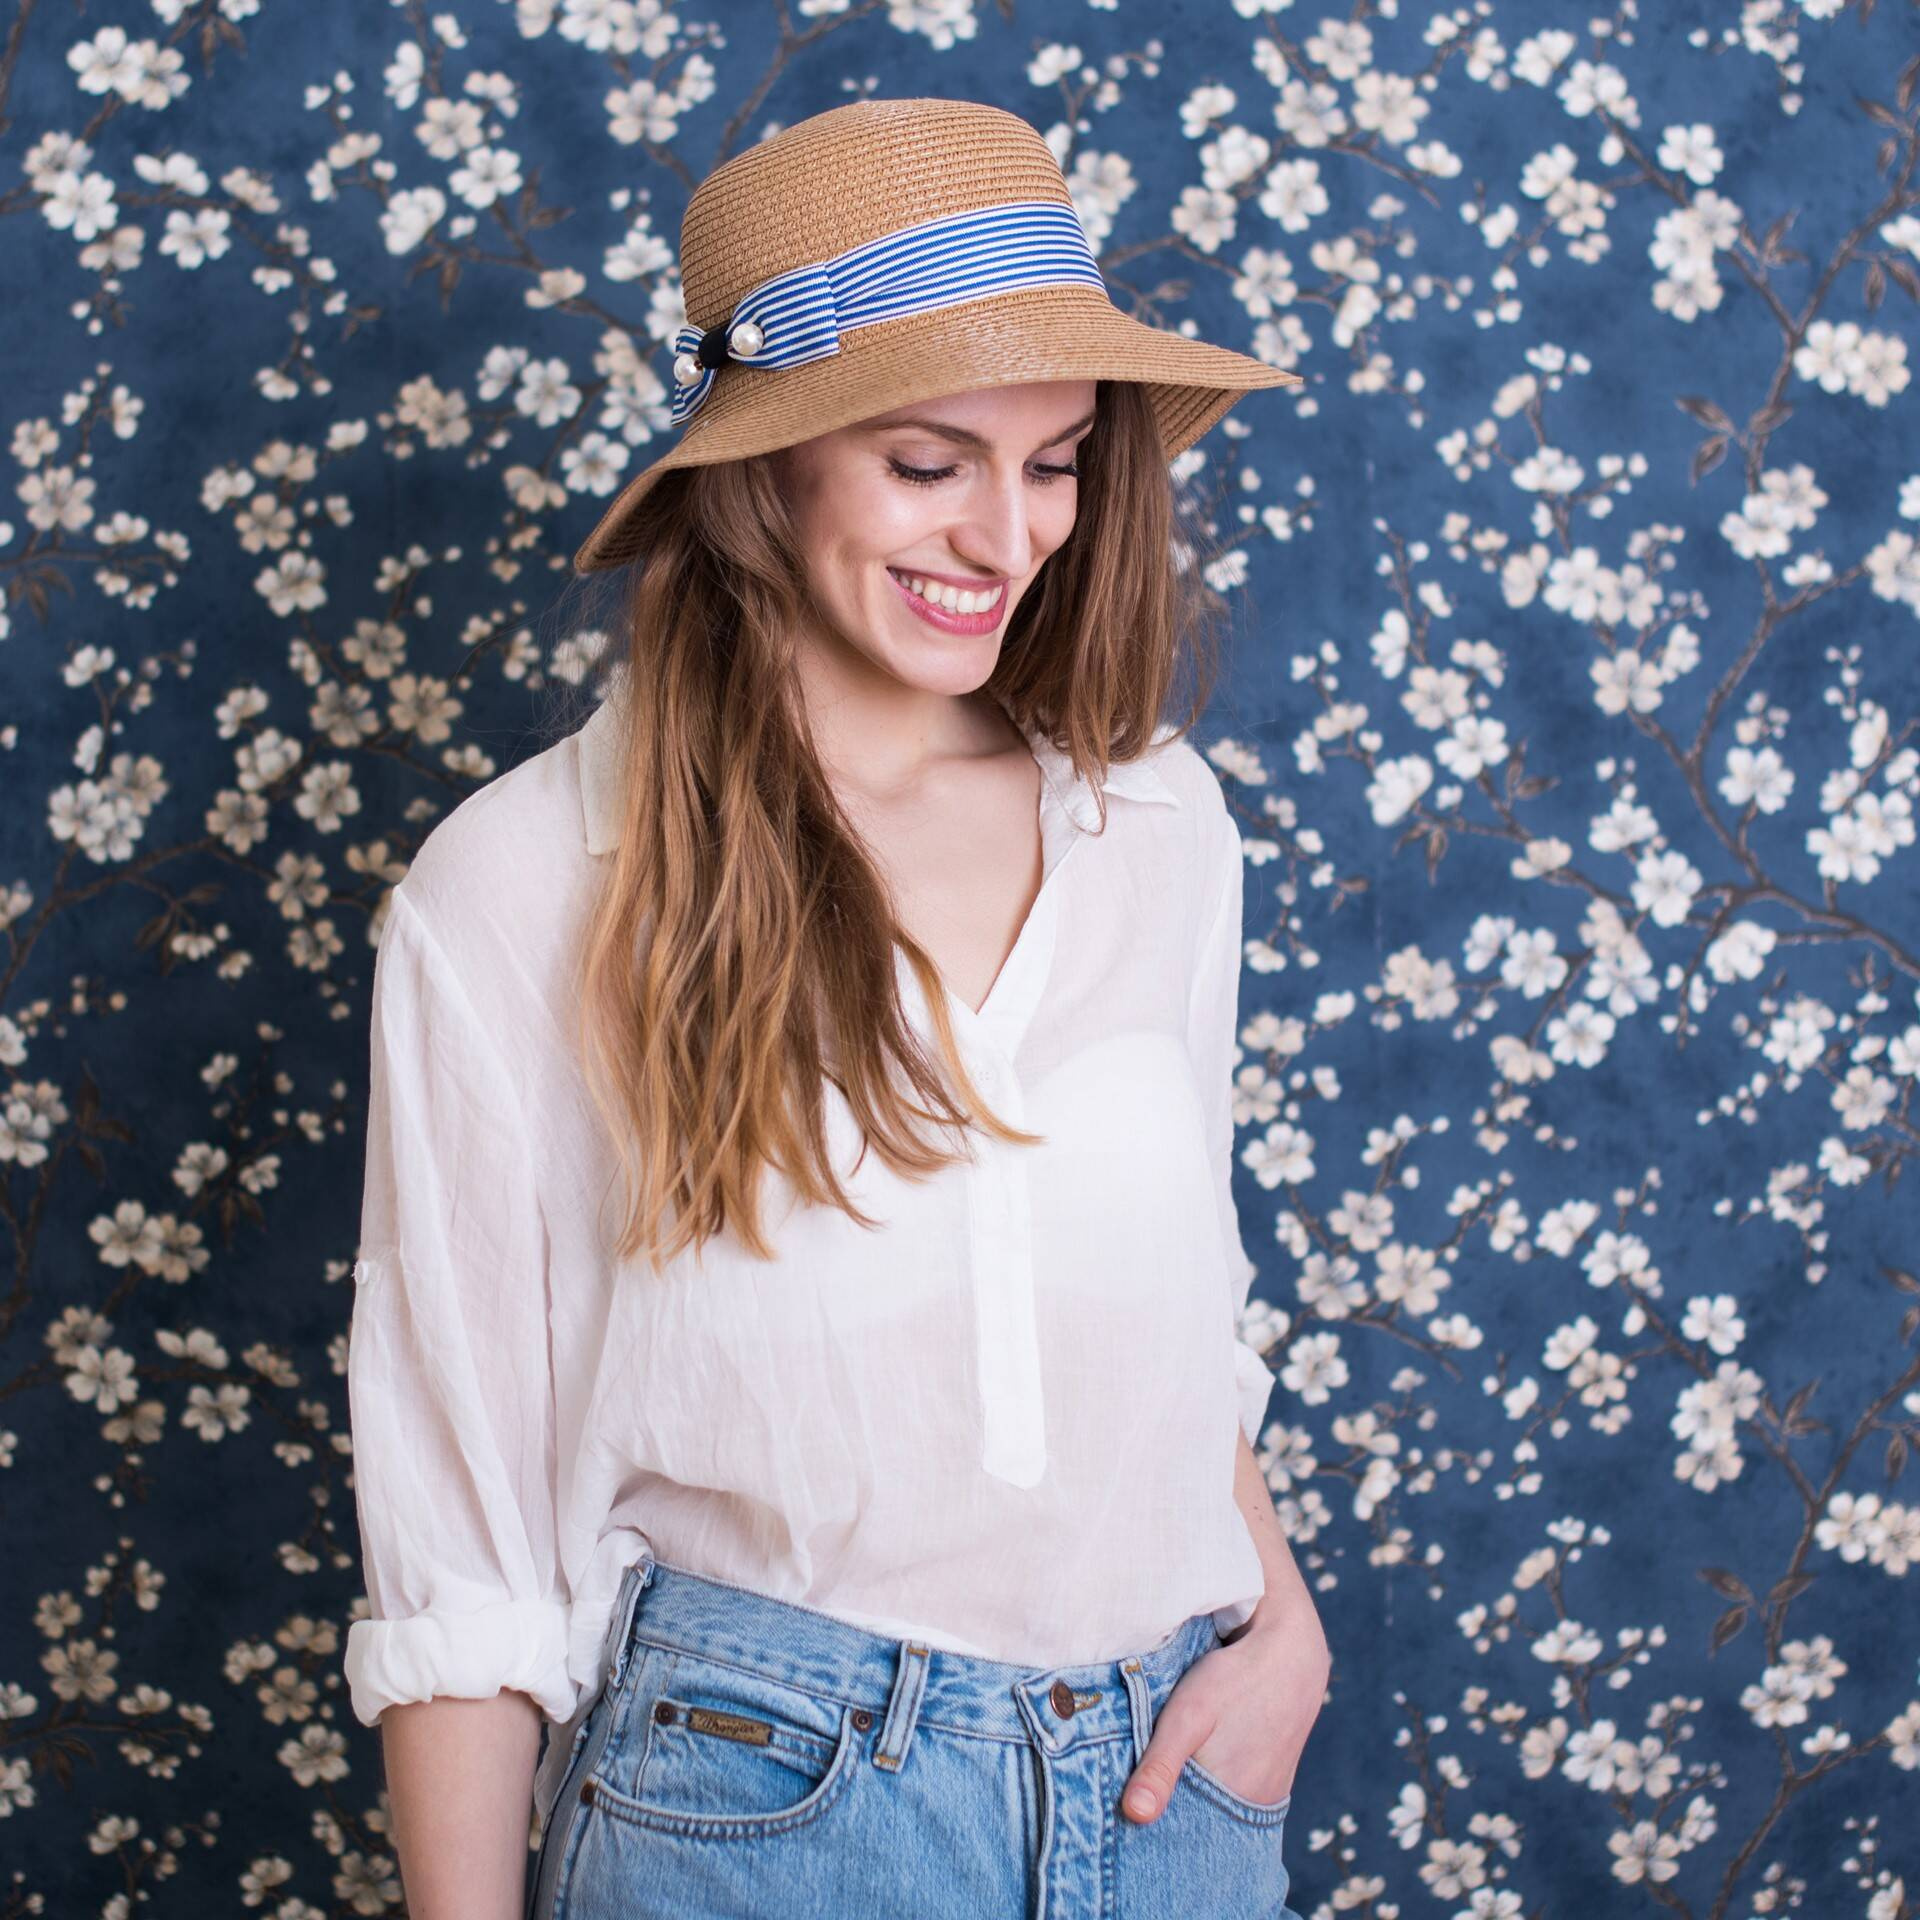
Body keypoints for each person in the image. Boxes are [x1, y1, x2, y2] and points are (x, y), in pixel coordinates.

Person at [341, 95, 1330, 1920]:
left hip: (1172, 1801)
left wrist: (1285, 1624)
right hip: (769, 1805)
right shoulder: (527, 884)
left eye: (1056, 463)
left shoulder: (1158, 825)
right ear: (768, 466)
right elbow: (460, 1542)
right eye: (931, 461)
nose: (1010, 535)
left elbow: (1170, 1320)